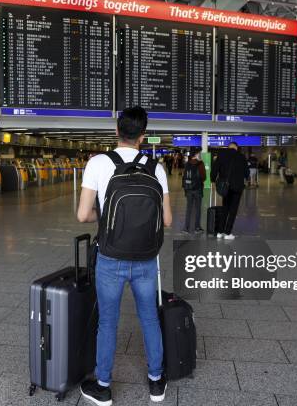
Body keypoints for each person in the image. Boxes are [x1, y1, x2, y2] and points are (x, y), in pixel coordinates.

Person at [77, 106, 172, 405]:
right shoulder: (157, 168)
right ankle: (156, 382)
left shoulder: (97, 163)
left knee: (108, 321)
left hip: (110, 257)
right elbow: (167, 220)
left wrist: (102, 217)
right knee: (149, 319)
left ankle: (103, 386)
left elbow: (82, 215)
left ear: (117, 131)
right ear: (143, 136)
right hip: (146, 258)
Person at [211, 142, 247, 240]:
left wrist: (213, 179)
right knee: (233, 211)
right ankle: (227, 233)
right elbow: (246, 173)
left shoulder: (221, 155)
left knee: (225, 208)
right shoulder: (241, 157)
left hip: (225, 187)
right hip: (237, 188)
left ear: (228, 147)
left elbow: (214, 169)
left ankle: (219, 232)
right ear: (236, 148)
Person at [181, 148, 206, 234]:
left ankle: (186, 228)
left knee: (189, 208)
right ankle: (197, 228)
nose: (200, 154)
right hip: (198, 189)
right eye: (199, 153)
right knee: (198, 209)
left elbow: (184, 175)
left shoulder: (187, 164)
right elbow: (204, 177)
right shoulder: (200, 164)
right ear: (196, 154)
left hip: (188, 189)